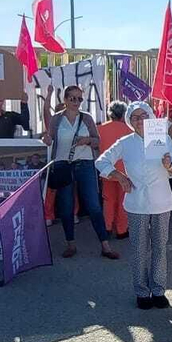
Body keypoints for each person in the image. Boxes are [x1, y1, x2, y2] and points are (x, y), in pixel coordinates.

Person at [96, 102, 172, 309]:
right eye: (135, 117)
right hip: (136, 203)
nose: (140, 120)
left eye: (144, 116)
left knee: (160, 248)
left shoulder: (162, 139)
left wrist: (170, 165)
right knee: (139, 249)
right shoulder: (125, 142)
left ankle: (159, 290)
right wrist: (118, 176)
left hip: (162, 202)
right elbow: (101, 161)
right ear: (129, 121)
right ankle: (142, 292)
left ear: (151, 116)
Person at [45, 84, 118, 260]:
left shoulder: (87, 118)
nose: (76, 102)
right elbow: (50, 138)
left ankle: (105, 245)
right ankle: (70, 244)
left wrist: (87, 140)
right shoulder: (57, 119)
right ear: (65, 100)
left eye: (79, 99)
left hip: (85, 164)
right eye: (73, 98)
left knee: (93, 204)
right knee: (66, 206)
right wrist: (46, 139)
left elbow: (97, 141)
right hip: (63, 164)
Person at [97, 101, 133, 239]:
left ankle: (106, 227)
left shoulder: (100, 129)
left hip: (107, 171)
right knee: (123, 200)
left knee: (108, 200)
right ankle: (121, 230)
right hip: (125, 172)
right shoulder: (130, 130)